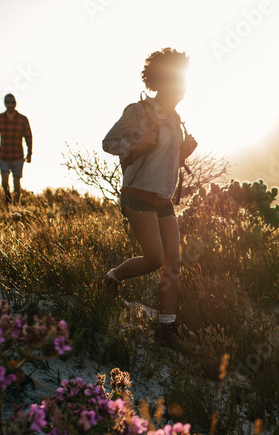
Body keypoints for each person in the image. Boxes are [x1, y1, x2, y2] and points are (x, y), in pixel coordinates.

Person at [102, 48, 197, 343]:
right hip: (138, 194)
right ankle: (112, 278)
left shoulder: (176, 117)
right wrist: (136, 144)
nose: (182, 88)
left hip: (164, 200)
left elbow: (165, 160)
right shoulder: (139, 111)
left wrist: (183, 152)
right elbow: (109, 142)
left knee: (174, 263)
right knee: (155, 258)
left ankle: (167, 328)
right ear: (160, 80)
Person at [0, 94, 32, 206]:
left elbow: (29, 137)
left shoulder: (22, 119)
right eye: (8, 103)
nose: (10, 105)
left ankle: (16, 204)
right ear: (5, 104)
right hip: (3, 155)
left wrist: (29, 153)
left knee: (17, 181)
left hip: (18, 155)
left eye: (12, 103)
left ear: (15, 104)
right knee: (4, 181)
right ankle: (7, 199)